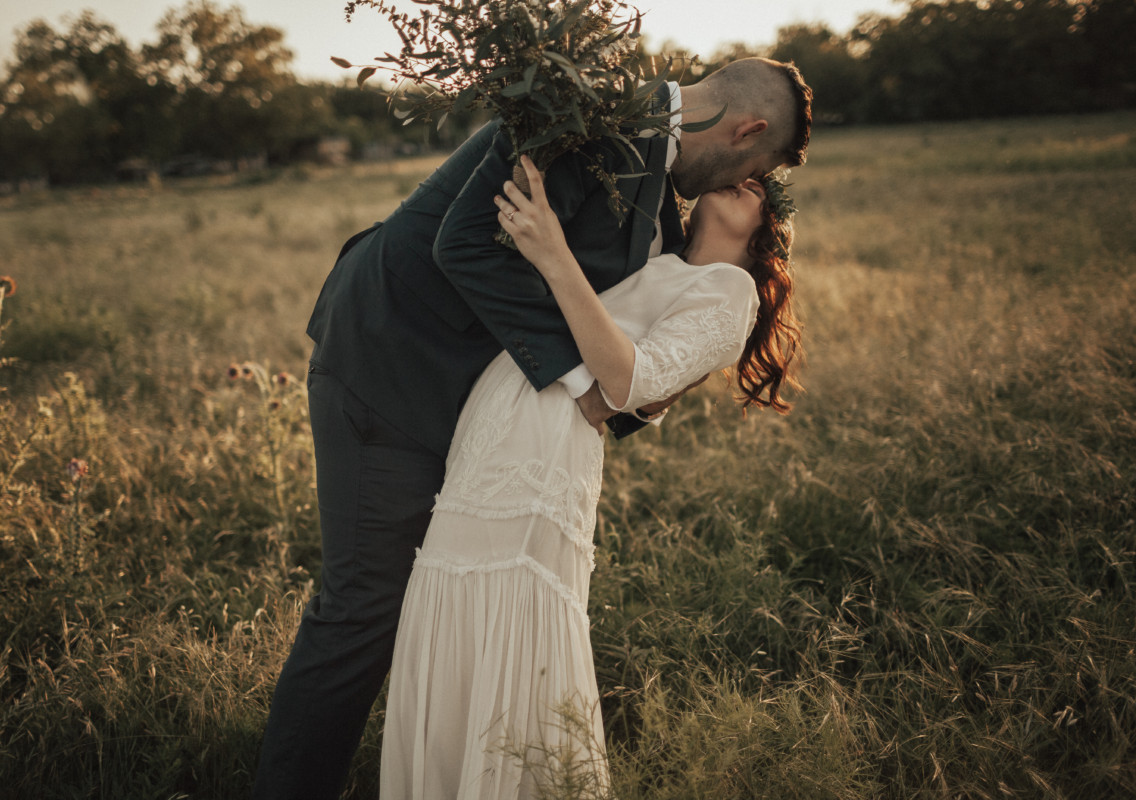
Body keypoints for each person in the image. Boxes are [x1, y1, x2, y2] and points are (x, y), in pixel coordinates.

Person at [253, 58, 811, 799]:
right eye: (756, 167)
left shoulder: (658, 181)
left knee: (445, 605)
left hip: (469, 413)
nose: (738, 186)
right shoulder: (597, 117)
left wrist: (636, 396)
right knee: (365, 609)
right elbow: (465, 246)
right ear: (749, 130)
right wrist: (590, 386)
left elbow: (638, 326)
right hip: (390, 365)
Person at [379, 155, 801, 798]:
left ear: (766, 231)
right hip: (495, 427)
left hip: (545, 447)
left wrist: (552, 254)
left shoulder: (729, 290)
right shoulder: (658, 256)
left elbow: (631, 381)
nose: (746, 179)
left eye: (760, 188)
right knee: (453, 599)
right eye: (744, 171)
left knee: (509, 611)